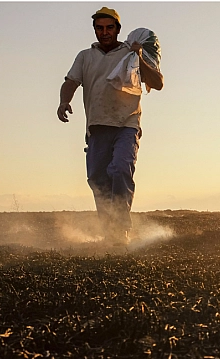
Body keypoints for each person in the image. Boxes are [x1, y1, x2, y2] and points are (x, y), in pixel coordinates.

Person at [57, 7, 163, 245]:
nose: (104, 32)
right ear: (95, 30)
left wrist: (140, 55)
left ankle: (121, 230)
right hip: (97, 126)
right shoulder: (85, 56)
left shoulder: (130, 53)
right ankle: (109, 230)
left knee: (120, 169)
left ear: (118, 29)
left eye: (109, 28)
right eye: (99, 28)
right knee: (97, 178)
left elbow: (157, 83)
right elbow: (71, 82)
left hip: (127, 123)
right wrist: (64, 101)